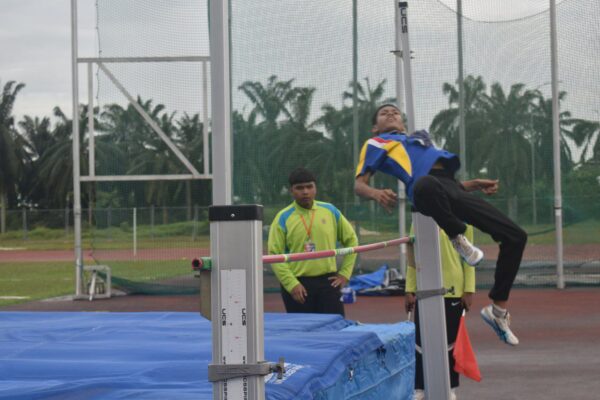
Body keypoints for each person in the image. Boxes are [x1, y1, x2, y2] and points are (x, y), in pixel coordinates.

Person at [354, 104, 527, 345]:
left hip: (448, 188)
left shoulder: (418, 140)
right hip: (423, 190)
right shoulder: (376, 144)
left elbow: (449, 188)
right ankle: (458, 237)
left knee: (516, 236)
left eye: (395, 112)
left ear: (403, 122)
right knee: (426, 183)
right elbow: (359, 184)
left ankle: (498, 311)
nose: (391, 113)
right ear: (375, 127)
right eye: (384, 113)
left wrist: (474, 184)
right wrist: (375, 193)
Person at [268, 167, 358, 317]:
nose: (305, 192)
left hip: (329, 282)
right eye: (299, 188)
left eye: (309, 187)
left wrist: (345, 274)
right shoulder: (283, 217)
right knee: (303, 336)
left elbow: (352, 241)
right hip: (298, 285)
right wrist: (291, 284)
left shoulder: (330, 211)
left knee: (334, 332)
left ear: (315, 188)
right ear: (291, 191)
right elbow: (274, 254)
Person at [405, 225, 476, 400]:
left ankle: (450, 386)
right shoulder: (419, 219)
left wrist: (469, 289)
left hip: (452, 289)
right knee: (420, 341)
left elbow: (469, 257)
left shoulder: (462, 221)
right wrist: (409, 288)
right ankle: (419, 387)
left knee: (450, 342)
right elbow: (413, 258)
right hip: (425, 287)